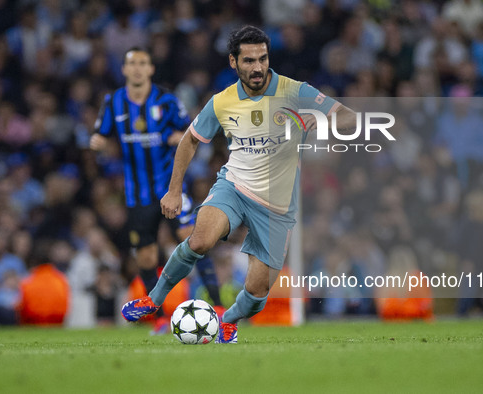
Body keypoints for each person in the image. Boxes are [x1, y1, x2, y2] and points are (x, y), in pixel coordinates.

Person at [121, 26, 355, 343]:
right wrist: (174, 190)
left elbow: (349, 117)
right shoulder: (223, 101)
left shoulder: (295, 91)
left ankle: (228, 319)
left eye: (262, 58)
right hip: (234, 187)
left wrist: (324, 118)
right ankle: (153, 299)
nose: (257, 67)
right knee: (200, 240)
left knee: (258, 290)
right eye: (248, 60)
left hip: (276, 204)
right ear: (234, 62)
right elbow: (190, 140)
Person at [90, 47, 223, 322]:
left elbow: (190, 132)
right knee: (147, 259)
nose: (137, 68)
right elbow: (100, 134)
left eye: (143, 63)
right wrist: (98, 143)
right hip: (136, 194)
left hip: (171, 189)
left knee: (195, 241)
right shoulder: (113, 102)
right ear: (125, 70)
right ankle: (160, 319)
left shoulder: (167, 100)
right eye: (132, 64)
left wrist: (177, 137)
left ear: (151, 69)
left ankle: (219, 306)